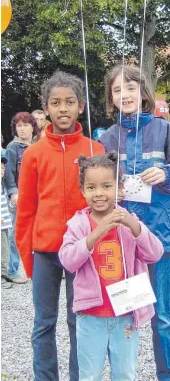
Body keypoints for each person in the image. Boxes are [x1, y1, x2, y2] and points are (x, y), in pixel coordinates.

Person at [99, 64, 170, 381]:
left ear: (143, 92)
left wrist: (166, 174)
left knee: (162, 316)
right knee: (124, 312)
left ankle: (168, 376)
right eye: (117, 89)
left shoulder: (165, 129)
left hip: (158, 237)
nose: (124, 94)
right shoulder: (107, 138)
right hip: (121, 240)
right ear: (111, 97)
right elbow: (95, 184)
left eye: (130, 87)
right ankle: (122, 374)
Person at [15, 70, 104, 381]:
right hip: (46, 253)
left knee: (78, 320)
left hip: (82, 252)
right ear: (46, 108)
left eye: (69, 102)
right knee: (44, 322)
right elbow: (25, 210)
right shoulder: (34, 155)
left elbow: (105, 206)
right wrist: (28, 258)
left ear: (81, 106)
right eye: (55, 102)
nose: (63, 108)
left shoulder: (95, 151)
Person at [59, 151, 164, 381]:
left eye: (107, 186)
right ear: (82, 190)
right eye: (91, 187)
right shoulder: (78, 224)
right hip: (90, 315)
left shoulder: (128, 220)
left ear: (119, 188)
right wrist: (95, 234)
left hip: (126, 313)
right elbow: (67, 260)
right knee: (89, 375)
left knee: (125, 373)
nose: (99, 194)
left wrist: (133, 225)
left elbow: (155, 253)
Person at [4, 111, 38, 283]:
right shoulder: (12, 148)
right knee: (16, 233)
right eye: (19, 126)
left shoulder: (38, 146)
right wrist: (13, 192)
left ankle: (37, 268)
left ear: (33, 127)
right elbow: (9, 174)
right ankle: (12, 269)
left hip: (38, 195)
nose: (23, 129)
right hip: (21, 196)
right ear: (15, 129)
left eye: (26, 125)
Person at [1, 151, 13, 289]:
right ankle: (1, 276)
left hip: (5, 224)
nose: (1, 170)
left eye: (3, 168)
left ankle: (4, 273)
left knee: (6, 248)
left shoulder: (2, 185)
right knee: (2, 250)